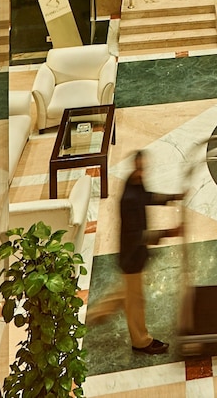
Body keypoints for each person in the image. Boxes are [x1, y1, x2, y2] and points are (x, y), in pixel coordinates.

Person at [88, 150, 183, 355]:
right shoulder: (129, 198)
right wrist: (169, 232)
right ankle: (141, 341)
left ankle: (96, 313)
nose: (142, 172)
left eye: (144, 168)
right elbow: (136, 236)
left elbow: (148, 197)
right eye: (140, 168)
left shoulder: (134, 182)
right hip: (132, 257)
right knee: (136, 301)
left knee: (127, 293)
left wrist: (172, 197)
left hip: (133, 255)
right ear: (135, 166)